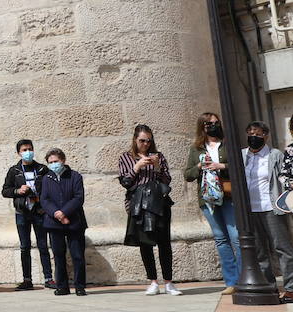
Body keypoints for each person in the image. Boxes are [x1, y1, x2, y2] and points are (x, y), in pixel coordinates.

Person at [120, 124, 181, 296]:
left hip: (158, 203)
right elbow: (125, 183)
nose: (145, 144)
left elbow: (167, 180)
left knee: (164, 243)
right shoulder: (126, 157)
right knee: (145, 244)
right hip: (139, 205)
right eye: (142, 140)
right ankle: (153, 281)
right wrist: (137, 166)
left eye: (148, 141)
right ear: (135, 140)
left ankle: (169, 282)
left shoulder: (158, 156)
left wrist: (156, 168)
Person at [185, 112, 240, 294]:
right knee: (221, 239)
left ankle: (243, 278)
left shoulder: (228, 144)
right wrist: (199, 166)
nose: (214, 126)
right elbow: (188, 175)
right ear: (203, 127)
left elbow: (240, 165)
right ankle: (231, 282)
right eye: (209, 124)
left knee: (236, 237)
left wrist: (221, 166)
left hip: (229, 194)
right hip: (208, 199)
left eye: (216, 123)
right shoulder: (196, 148)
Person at [248, 122, 293, 301]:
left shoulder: (275, 155)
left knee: (282, 248)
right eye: (250, 133)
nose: (253, 136)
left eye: (257, 134)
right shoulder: (243, 155)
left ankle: (290, 288)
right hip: (251, 209)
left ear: (265, 136)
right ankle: (268, 287)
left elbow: (285, 176)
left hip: (271, 207)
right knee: (259, 250)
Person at [2, 139, 54, 291]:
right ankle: (27, 280)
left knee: (43, 245)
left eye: (30, 149)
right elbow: (5, 191)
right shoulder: (14, 171)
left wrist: (40, 197)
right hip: (22, 212)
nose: (28, 152)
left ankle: (48, 278)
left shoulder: (42, 169)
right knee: (25, 246)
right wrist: (18, 191)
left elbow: (50, 188)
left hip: (39, 211)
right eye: (24, 150)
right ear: (19, 152)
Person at [40, 149, 87, 296]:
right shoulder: (46, 178)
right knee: (58, 255)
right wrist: (57, 213)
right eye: (51, 162)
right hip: (54, 223)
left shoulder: (75, 176)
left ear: (63, 160)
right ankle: (62, 286)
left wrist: (65, 212)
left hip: (74, 221)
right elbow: (44, 199)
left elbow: (78, 198)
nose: (54, 164)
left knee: (77, 255)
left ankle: (80, 286)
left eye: (56, 161)